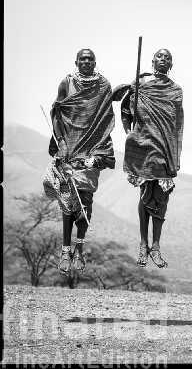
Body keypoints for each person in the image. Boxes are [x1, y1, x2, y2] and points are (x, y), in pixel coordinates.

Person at [43, 49, 116, 275]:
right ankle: (66, 251)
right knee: (67, 203)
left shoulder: (103, 85)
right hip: (70, 148)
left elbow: (105, 119)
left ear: (95, 62)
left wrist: (99, 153)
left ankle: (80, 248)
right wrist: (61, 143)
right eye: (82, 59)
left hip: (91, 150)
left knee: (85, 204)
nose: (86, 61)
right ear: (76, 62)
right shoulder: (66, 82)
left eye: (90, 58)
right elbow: (58, 111)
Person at [111, 49, 184, 269]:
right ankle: (143, 244)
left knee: (161, 196)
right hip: (143, 144)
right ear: (152, 61)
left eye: (167, 57)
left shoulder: (176, 90)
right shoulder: (140, 85)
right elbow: (127, 110)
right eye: (159, 57)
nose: (163, 59)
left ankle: (156, 246)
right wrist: (132, 92)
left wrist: (174, 151)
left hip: (163, 148)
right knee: (145, 194)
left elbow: (177, 123)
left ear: (171, 64)